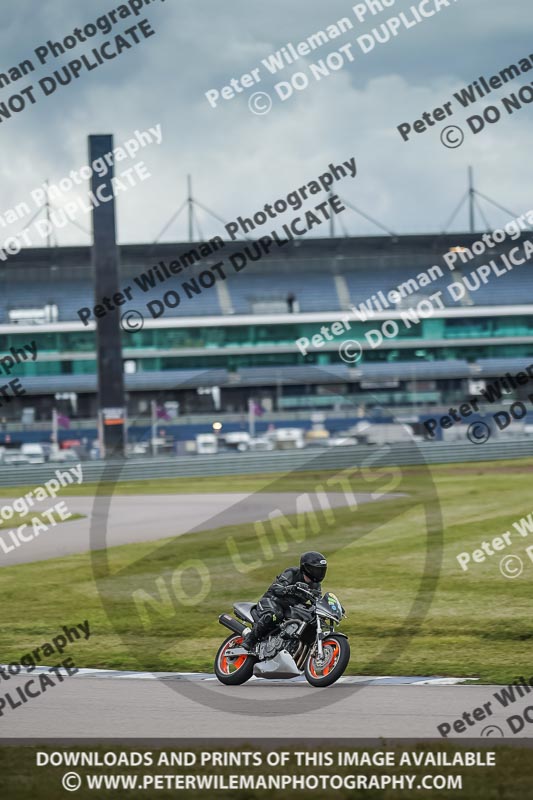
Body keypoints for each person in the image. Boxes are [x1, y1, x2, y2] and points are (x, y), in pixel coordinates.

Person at [241, 551, 327, 651]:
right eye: (316, 570)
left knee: (310, 619)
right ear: (306, 568)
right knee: (274, 615)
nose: (319, 573)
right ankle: (250, 639)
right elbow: (276, 587)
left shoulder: (316, 585)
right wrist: (291, 588)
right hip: (272, 601)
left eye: (321, 570)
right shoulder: (292, 573)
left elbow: (317, 601)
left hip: (290, 608)